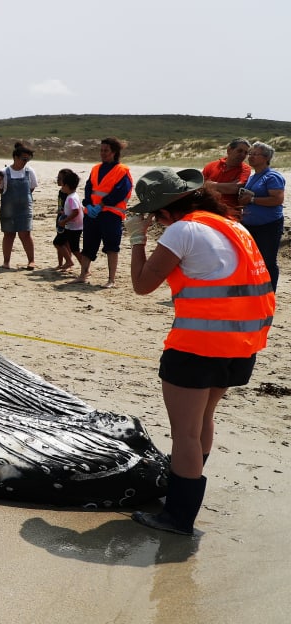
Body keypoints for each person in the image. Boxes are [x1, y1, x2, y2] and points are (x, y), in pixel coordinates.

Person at [125, 167, 274, 536]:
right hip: (241, 345)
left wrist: (136, 241)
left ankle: (177, 516)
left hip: (197, 346)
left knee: (185, 434)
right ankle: (182, 489)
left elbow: (143, 285)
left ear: (162, 212)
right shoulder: (232, 225)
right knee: (203, 421)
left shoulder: (181, 229)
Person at [76, 137, 133, 288]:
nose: (102, 153)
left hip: (111, 214)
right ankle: (82, 275)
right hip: (92, 214)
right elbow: (89, 188)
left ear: (114, 152)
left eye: (106, 150)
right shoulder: (95, 169)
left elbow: (120, 192)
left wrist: (100, 205)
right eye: (101, 150)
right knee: (88, 245)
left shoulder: (123, 171)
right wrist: (88, 204)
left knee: (111, 247)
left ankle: (111, 280)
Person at [238, 141, 285, 291]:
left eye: (254, 154)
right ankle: (254, 291)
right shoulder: (254, 176)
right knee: (250, 260)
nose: (249, 157)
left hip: (268, 226)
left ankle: (269, 293)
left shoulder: (272, 176)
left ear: (265, 158)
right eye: (249, 154)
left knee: (268, 260)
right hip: (250, 225)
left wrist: (251, 199)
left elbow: (277, 199)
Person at [0, 142, 38, 269]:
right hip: (8, 208)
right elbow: (0, 189)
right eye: (24, 159)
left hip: (25, 208)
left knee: (25, 234)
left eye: (28, 159)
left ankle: (31, 260)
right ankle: (6, 261)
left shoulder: (29, 171)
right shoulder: (4, 172)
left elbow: (31, 188)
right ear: (15, 157)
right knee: (9, 234)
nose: (26, 162)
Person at [202, 138, 252, 214]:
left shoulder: (245, 169)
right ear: (229, 150)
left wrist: (211, 185)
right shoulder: (211, 165)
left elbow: (234, 188)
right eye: (240, 151)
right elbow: (200, 186)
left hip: (229, 213)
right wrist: (227, 186)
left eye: (246, 153)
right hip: (207, 210)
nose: (243, 155)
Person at [54, 169, 83, 271]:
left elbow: (76, 211)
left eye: (60, 179)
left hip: (70, 224)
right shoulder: (64, 193)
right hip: (64, 221)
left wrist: (65, 220)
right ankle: (62, 263)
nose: (58, 180)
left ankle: (70, 263)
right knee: (60, 241)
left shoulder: (70, 196)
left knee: (68, 245)